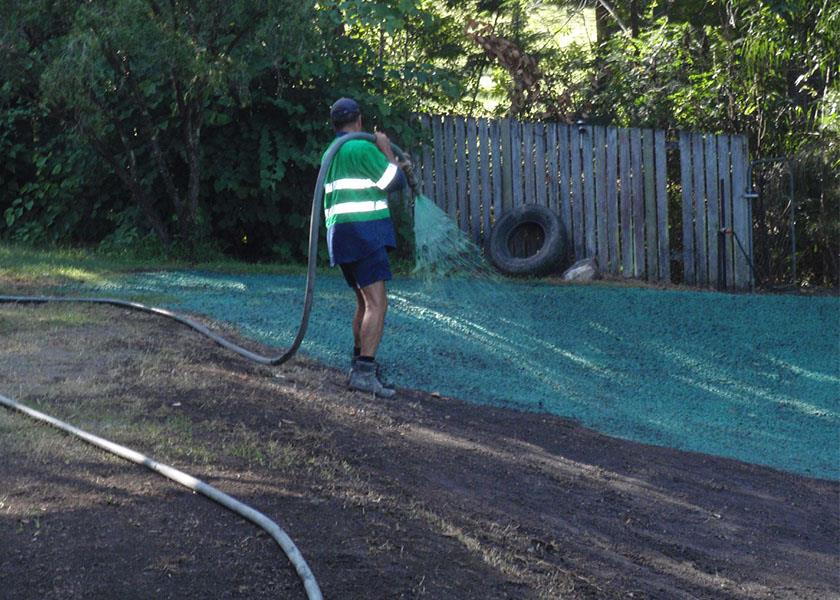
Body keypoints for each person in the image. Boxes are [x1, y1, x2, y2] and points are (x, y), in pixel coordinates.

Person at [323, 97, 409, 398]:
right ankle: (364, 372)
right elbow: (393, 182)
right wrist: (386, 150)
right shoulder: (360, 147)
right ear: (358, 120)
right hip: (364, 232)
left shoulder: (332, 152)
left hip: (342, 235)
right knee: (377, 303)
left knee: (363, 302)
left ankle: (358, 363)